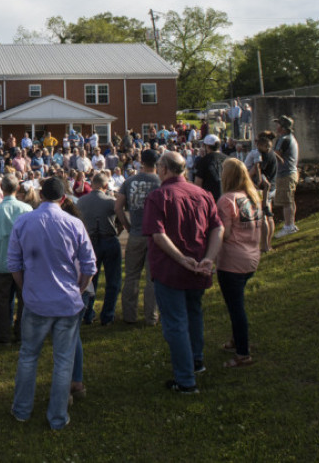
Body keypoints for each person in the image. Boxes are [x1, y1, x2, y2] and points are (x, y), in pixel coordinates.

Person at [7, 177, 97, 430]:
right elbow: (89, 265)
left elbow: (13, 263)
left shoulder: (24, 221)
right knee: (63, 360)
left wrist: (26, 288)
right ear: (63, 199)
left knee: (29, 356)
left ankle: (23, 409)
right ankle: (56, 416)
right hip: (64, 301)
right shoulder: (73, 223)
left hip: (39, 300)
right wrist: (79, 288)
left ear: (41, 196)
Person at [142, 151, 223, 394]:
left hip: (172, 269)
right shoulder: (203, 194)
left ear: (164, 169)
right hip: (197, 265)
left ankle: (186, 379)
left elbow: (158, 235)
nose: (158, 170)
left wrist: (183, 258)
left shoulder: (159, 196)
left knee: (176, 322)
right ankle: (196, 361)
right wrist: (208, 258)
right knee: (194, 314)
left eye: (159, 166)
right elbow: (217, 229)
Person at [216, 159, 264, 368]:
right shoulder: (252, 197)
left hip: (232, 260)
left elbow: (224, 234)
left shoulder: (227, 200)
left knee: (236, 308)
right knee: (237, 303)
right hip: (251, 256)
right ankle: (237, 340)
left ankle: (243, 353)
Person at [0, 173, 32, 343]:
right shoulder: (26, 209)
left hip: (1, 261)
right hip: (22, 262)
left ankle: (3, 334)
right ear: (17, 188)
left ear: (2, 189)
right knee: (23, 299)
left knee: (1, 300)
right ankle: (22, 333)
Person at [116, 149, 162, 325]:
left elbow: (118, 207)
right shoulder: (160, 182)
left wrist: (127, 226)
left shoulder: (129, 181)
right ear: (157, 163)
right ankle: (151, 316)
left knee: (131, 276)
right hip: (155, 236)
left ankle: (129, 315)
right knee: (153, 278)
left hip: (135, 233)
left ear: (141, 162)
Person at [77, 172, 121, 326]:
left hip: (90, 241)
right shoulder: (111, 201)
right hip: (109, 239)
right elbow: (121, 220)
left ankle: (88, 314)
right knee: (113, 280)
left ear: (92, 184)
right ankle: (107, 315)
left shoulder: (81, 201)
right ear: (105, 185)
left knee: (90, 279)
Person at [272, 116, 301, 238]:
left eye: (278, 124)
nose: (276, 127)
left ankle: (288, 226)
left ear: (283, 127)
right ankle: (291, 224)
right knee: (289, 200)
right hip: (291, 172)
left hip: (285, 174)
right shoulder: (290, 138)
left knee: (286, 202)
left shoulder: (283, 139)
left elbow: (275, 155)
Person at [194, 134, 227, 201]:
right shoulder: (228, 159)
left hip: (210, 200)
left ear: (207, 146)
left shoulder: (203, 161)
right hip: (227, 198)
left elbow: (198, 184)